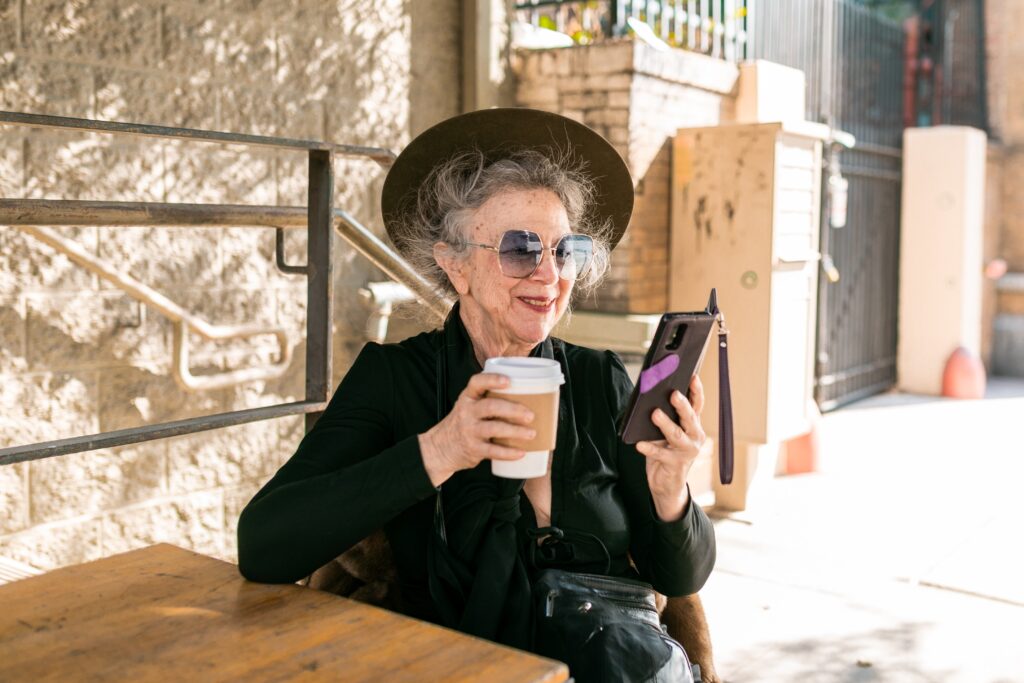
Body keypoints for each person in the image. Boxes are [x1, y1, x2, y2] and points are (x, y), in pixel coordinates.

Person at [237, 108, 716, 679]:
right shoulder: (393, 379)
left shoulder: (599, 381)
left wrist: (671, 493)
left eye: (564, 251)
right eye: (520, 249)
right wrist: (441, 450)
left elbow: (682, 579)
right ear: (455, 264)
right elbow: (263, 545)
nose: (548, 275)